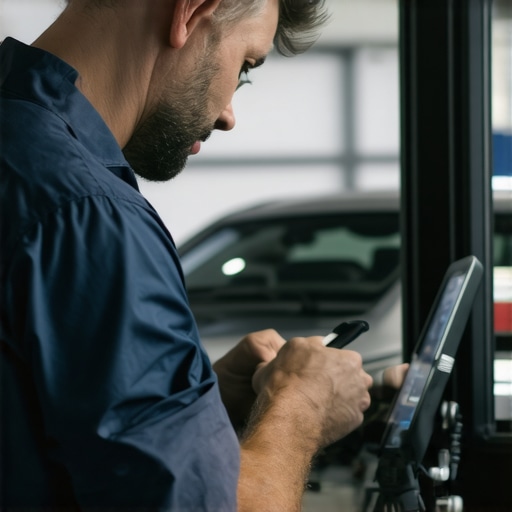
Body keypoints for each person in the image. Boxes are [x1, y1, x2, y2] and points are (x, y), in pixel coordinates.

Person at [0, 0, 406, 510]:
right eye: (245, 68)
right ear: (191, 12)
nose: (228, 115)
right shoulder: (90, 212)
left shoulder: (19, 146)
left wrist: (200, 395)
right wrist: (301, 408)